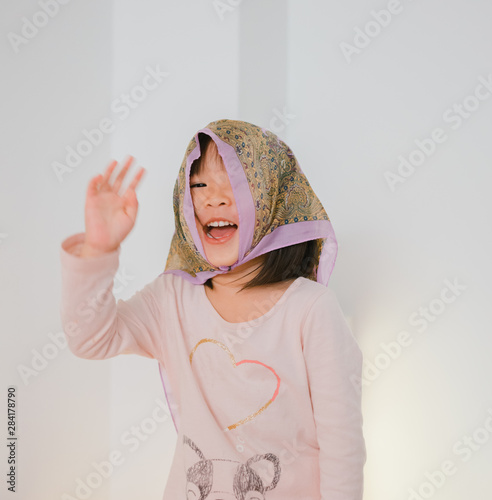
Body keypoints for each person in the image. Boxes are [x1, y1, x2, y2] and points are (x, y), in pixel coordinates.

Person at [59, 119, 367, 499]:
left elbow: (342, 446)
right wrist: (98, 249)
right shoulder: (172, 298)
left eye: (235, 184)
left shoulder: (310, 308)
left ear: (273, 197)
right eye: (199, 185)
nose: (212, 198)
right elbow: (89, 339)